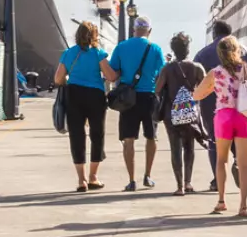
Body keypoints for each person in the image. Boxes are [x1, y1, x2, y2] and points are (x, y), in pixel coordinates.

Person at [193, 35, 247, 216]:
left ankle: (221, 201)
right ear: (238, 51)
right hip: (243, 116)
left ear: (220, 54)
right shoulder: (245, 69)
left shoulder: (215, 73)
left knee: (222, 160)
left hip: (224, 117)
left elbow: (197, 95)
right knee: (243, 164)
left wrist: (212, 89)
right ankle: (243, 206)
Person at [193, 20, 247, 192]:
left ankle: (217, 181)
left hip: (213, 106)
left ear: (214, 33)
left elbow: (196, 81)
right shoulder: (246, 52)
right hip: (242, 106)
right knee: (239, 142)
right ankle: (237, 162)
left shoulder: (202, 54)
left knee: (214, 142)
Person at [53, 21, 117, 192]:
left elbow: (58, 79)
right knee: (97, 135)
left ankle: (81, 180)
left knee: (76, 135)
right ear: (94, 36)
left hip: (74, 96)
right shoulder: (98, 53)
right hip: (95, 97)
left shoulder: (68, 53)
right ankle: (93, 177)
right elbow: (110, 77)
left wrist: (70, 77)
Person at [110, 16, 166, 192]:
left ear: (134, 29)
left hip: (128, 98)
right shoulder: (155, 48)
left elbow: (114, 73)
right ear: (149, 31)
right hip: (149, 97)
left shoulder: (121, 47)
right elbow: (161, 75)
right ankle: (147, 176)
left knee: (128, 139)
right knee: (151, 137)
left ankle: (131, 180)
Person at [154, 32, 207, 196]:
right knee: (189, 147)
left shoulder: (167, 68)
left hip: (172, 114)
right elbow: (204, 88)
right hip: (190, 113)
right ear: (188, 49)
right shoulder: (197, 67)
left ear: (173, 50)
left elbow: (157, 89)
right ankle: (188, 182)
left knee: (175, 149)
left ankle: (179, 186)